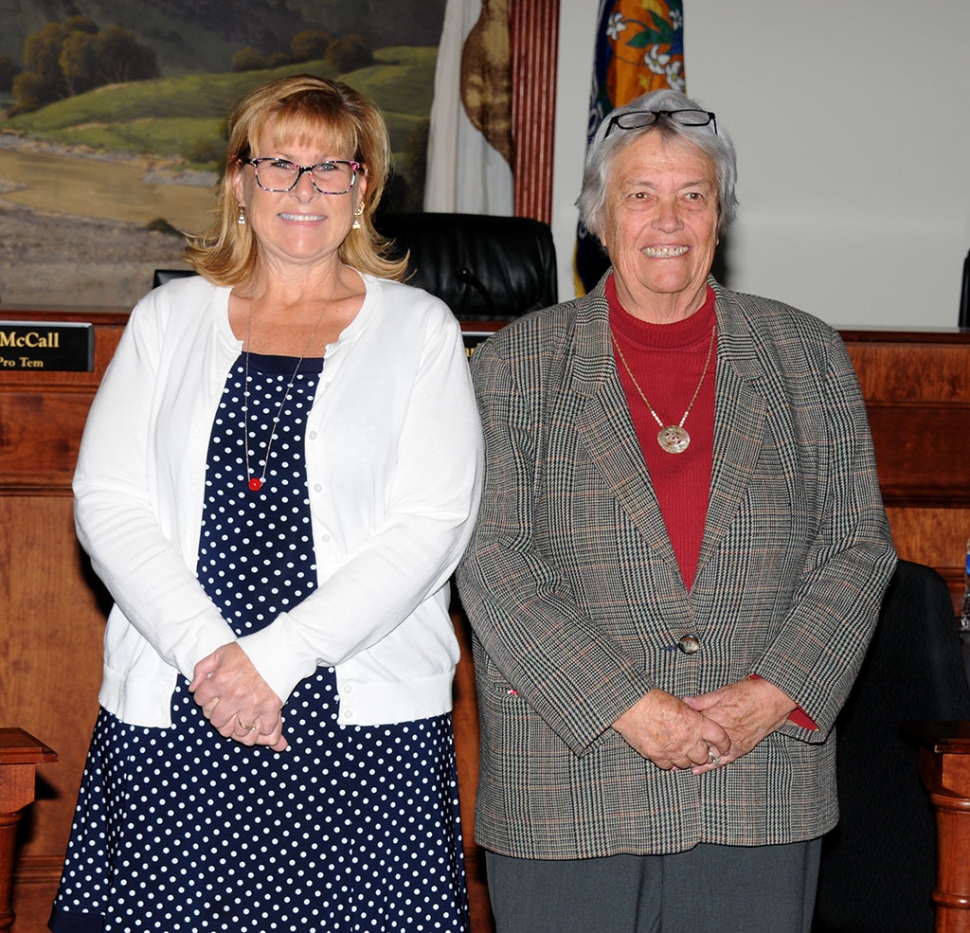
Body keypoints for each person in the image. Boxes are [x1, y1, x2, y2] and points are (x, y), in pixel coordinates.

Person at [456, 87, 896, 933]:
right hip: (571, 782)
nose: (670, 218)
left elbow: (856, 549)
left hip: (758, 779)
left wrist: (771, 696)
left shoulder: (807, 354)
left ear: (719, 217)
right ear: (599, 217)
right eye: (641, 195)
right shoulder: (511, 367)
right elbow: (493, 561)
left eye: (692, 195)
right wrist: (633, 705)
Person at [50, 74, 482, 933]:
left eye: (329, 169)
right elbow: (109, 500)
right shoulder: (168, 320)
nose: (302, 189)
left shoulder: (420, 329)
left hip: (359, 716)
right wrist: (214, 661)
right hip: (181, 698)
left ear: (362, 188)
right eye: (278, 163)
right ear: (241, 182)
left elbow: (432, 526)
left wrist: (273, 662)